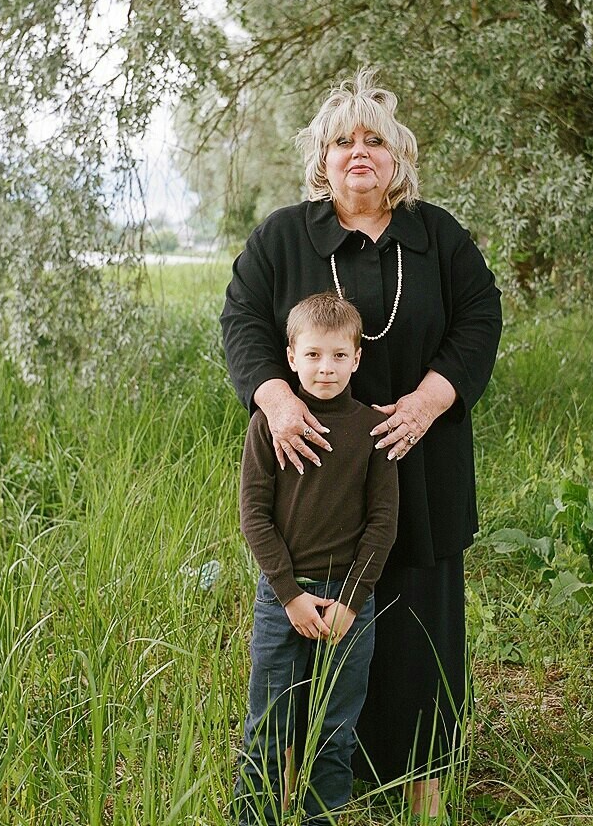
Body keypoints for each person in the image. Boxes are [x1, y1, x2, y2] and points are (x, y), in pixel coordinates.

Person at [222, 69, 502, 822]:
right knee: (304, 652)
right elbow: (242, 321)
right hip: (312, 483)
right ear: (321, 157)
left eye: (374, 139)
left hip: (423, 471)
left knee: (421, 639)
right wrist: (275, 400)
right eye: (342, 140)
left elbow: (480, 318)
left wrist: (431, 399)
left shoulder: (437, 234)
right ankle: (304, 796)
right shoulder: (284, 236)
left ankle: (424, 797)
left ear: (398, 158)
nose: (358, 152)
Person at [234, 292, 399, 825]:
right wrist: (288, 594)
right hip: (283, 601)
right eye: (312, 355)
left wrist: (351, 601)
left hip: (350, 604)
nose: (324, 368)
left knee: (335, 728)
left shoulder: (371, 431)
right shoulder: (268, 425)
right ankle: (254, 817)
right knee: (269, 725)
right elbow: (254, 517)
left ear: (357, 358)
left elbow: (382, 524)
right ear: (291, 358)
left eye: (337, 355)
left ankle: (320, 817)